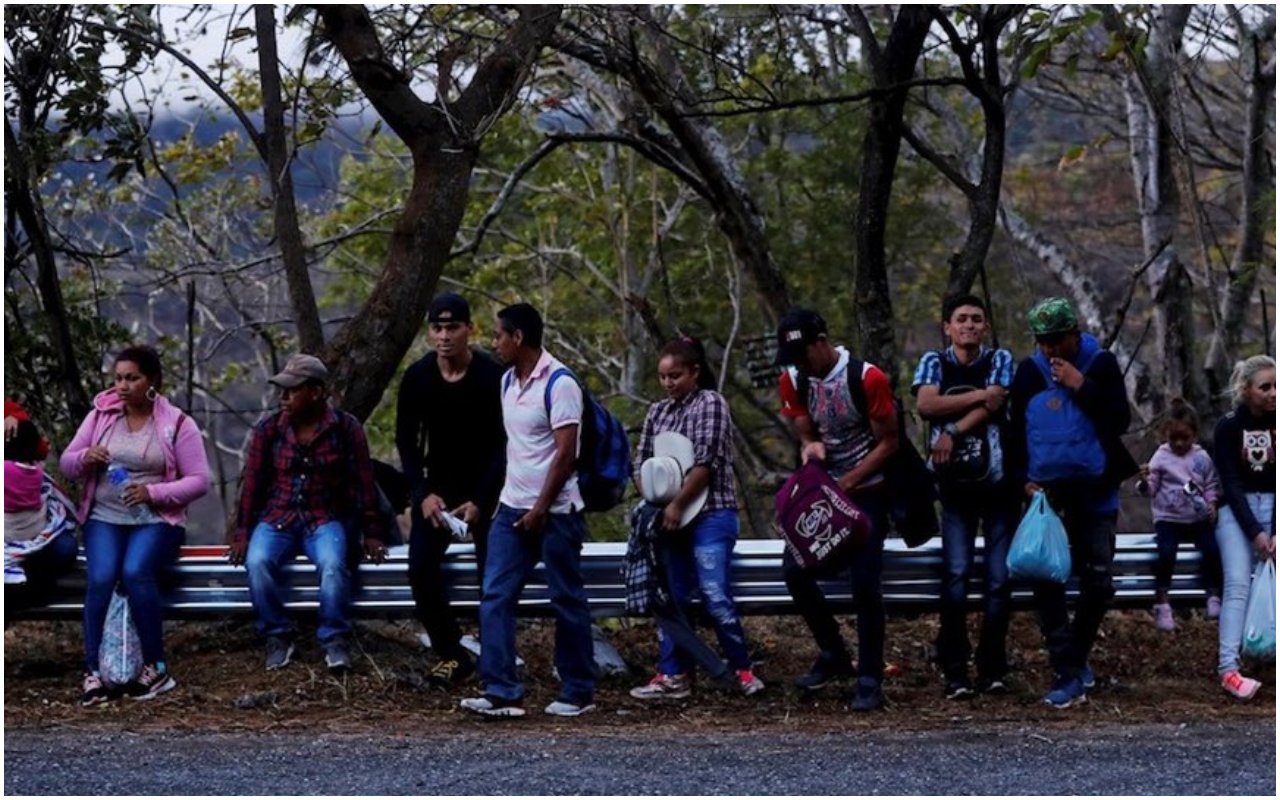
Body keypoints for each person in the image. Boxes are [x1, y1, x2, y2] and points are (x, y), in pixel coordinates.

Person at [461, 302, 596, 718]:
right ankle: (502, 690)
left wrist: (540, 508)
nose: (495, 342)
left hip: (555, 512)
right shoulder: (507, 383)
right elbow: (515, 447)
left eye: (500, 334)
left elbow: (565, 453)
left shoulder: (560, 383)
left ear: (518, 337)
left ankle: (578, 689)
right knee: (495, 595)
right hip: (511, 507)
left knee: (565, 597)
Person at [1006, 298, 1138, 709]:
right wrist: (1022, 483)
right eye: (1042, 342)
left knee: (1098, 582)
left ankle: (1075, 659)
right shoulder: (1029, 371)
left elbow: (1119, 420)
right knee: (1047, 579)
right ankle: (1066, 671)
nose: (1050, 350)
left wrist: (1081, 384)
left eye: (1056, 340)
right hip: (1047, 494)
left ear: (1074, 333)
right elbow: (1013, 434)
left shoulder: (1100, 363)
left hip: (1096, 489)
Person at [59, 345, 211, 704]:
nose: (123, 386)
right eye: (118, 379)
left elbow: (199, 481)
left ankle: (156, 667)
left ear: (152, 381)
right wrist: (85, 458)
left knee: (135, 571)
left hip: (156, 519)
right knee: (100, 577)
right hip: (105, 517)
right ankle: (93, 672)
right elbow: (66, 462)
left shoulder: (176, 423)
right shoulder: (100, 417)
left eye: (132, 378)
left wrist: (152, 492)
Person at [228, 353, 388, 674]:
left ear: (314, 392)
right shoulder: (269, 430)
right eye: (282, 390)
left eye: (292, 390)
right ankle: (277, 636)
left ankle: (334, 639)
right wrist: (243, 532)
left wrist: (372, 531)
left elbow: (363, 482)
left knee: (333, 564)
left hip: (323, 517)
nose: (283, 398)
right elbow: (253, 485)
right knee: (258, 562)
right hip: (278, 517)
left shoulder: (345, 428)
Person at [775, 309, 898, 712]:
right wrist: (811, 451)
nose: (799, 365)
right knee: (795, 571)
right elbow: (805, 430)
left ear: (821, 342)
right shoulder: (793, 380)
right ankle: (833, 652)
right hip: (826, 490)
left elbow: (889, 442)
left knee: (865, 582)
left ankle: (869, 676)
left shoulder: (867, 378)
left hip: (868, 489)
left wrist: (852, 480)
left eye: (802, 354)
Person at [629, 337, 763, 700]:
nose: (669, 383)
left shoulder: (710, 404)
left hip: (711, 513)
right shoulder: (658, 412)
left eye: (676, 375)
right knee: (672, 595)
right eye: (663, 377)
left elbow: (705, 462)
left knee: (714, 592)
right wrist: (654, 497)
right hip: (668, 515)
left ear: (694, 372)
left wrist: (678, 503)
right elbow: (640, 461)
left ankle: (740, 668)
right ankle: (675, 673)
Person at [395, 292, 506, 687]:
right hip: (437, 491)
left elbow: (503, 445)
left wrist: (481, 500)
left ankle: (497, 659)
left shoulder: (491, 377)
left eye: (452, 327)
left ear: (469, 330)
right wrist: (421, 494)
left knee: (491, 575)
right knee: (420, 568)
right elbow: (406, 443)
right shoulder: (418, 377)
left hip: (485, 491)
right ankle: (452, 654)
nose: (444, 336)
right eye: (437, 328)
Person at [911, 294, 1018, 699]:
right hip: (955, 491)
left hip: (999, 487)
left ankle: (993, 668)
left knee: (998, 581)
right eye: (961, 319)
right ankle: (954, 669)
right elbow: (925, 404)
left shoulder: (1001, 359)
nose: (969, 326)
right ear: (947, 327)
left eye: (976, 319)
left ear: (985, 326)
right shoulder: (933, 362)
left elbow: (997, 404)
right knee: (955, 578)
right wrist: (979, 396)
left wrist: (952, 431)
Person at [1211, 355, 1275, 700]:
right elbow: (1231, 483)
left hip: (1274, 508)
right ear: (1246, 389)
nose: (1273, 394)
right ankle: (1229, 669)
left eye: (1277, 386)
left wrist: (1275, 530)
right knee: (1237, 582)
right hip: (1238, 513)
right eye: (1265, 387)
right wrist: (1256, 532)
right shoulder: (1229, 426)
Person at [1136, 400, 1222, 631]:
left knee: (1212, 549)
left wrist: (1212, 503)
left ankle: (1213, 593)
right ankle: (1162, 600)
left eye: (1185, 437)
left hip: (1197, 518)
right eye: (1173, 438)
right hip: (1168, 519)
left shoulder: (1201, 457)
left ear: (1194, 434)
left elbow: (1211, 483)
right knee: (1166, 553)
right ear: (1166, 435)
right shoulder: (1161, 456)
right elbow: (1152, 487)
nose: (1179, 443)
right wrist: (1144, 482)